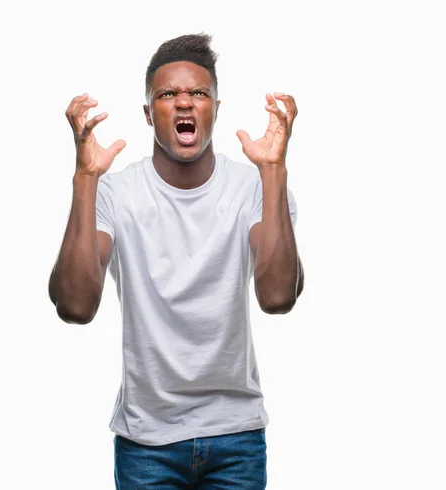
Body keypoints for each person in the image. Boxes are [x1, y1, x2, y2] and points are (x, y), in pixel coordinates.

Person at [47, 33, 303, 489]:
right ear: (149, 114)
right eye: (168, 94)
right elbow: (75, 306)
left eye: (198, 93)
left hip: (236, 437)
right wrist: (85, 178)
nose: (184, 103)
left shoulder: (253, 189)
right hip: (147, 443)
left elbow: (278, 296)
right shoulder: (115, 193)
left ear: (216, 109)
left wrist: (274, 172)